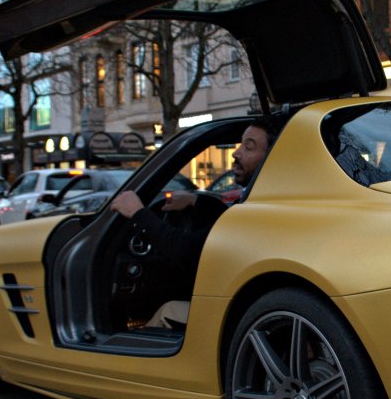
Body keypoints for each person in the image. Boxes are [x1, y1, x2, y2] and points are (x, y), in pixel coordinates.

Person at [108, 118, 278, 328]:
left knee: (167, 312)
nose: (236, 153)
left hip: (243, 318)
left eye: (249, 147)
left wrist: (138, 213)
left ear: (273, 158)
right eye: (240, 144)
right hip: (256, 308)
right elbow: (224, 223)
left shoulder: (259, 208)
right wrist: (196, 200)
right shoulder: (273, 202)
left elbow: (191, 250)